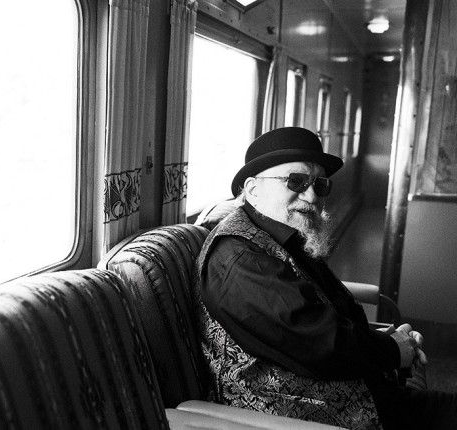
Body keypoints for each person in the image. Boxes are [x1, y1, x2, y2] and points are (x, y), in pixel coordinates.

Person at [195, 127, 457, 430]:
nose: (311, 196)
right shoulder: (241, 258)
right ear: (253, 190)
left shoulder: (284, 236)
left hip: (359, 396)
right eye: (295, 181)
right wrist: (393, 350)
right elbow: (316, 341)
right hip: (299, 416)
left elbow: (330, 314)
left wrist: (392, 340)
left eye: (319, 185)